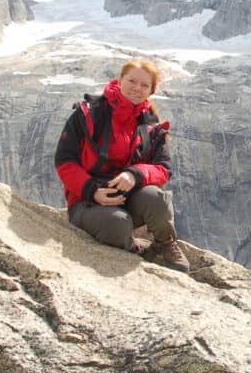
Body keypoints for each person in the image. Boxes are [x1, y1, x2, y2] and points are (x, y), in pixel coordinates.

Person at [54, 58, 190, 273]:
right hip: (87, 200)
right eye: (132, 81)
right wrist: (91, 190)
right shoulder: (89, 113)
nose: (137, 88)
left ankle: (164, 243)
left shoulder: (151, 125)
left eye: (144, 85)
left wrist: (136, 175)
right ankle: (134, 248)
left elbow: (163, 169)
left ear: (151, 91)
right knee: (118, 225)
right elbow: (64, 161)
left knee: (157, 199)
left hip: (128, 197)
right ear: (120, 80)